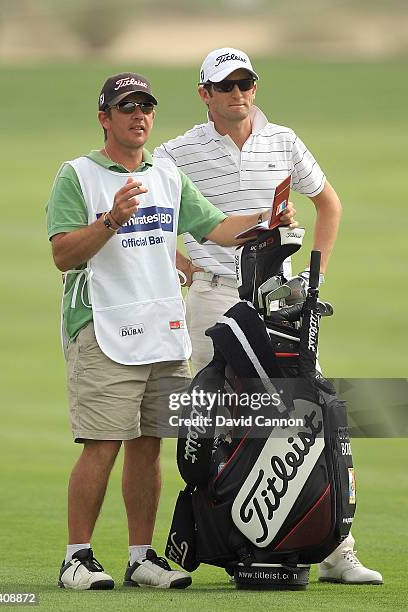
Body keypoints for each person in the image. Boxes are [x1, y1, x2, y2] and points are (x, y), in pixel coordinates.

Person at [45, 71, 296, 591]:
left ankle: (140, 557)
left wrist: (267, 220)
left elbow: (217, 227)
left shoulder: (166, 174)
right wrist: (111, 220)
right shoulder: (78, 176)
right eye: (126, 107)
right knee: (101, 444)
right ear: (105, 118)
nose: (139, 116)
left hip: (162, 328)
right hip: (104, 327)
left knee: (149, 444)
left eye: (145, 107)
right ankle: (77, 557)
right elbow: (63, 254)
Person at [154, 48, 383, 585]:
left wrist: (314, 279)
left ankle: (334, 547)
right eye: (226, 85)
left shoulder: (283, 139)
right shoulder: (177, 150)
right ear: (204, 93)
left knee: (306, 414)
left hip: (279, 300)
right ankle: (231, 536)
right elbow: (150, 216)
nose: (239, 93)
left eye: (246, 83)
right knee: (218, 422)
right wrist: (182, 265)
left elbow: (329, 203)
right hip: (214, 297)